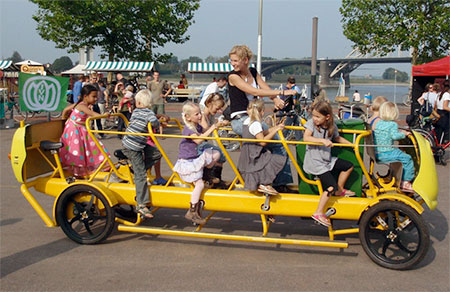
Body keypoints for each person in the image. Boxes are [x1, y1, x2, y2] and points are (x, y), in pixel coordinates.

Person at [227, 45, 298, 193]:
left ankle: (272, 181)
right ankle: (276, 183)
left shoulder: (252, 71)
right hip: (241, 120)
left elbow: (263, 86)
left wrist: (276, 99)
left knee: (270, 145)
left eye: (235, 60)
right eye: (231, 60)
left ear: (245, 60)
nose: (232, 64)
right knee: (277, 143)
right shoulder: (233, 76)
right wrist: (282, 91)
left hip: (253, 118)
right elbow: (253, 90)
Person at [303, 100, 355, 227]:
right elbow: (306, 138)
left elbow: (337, 138)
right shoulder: (311, 124)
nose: (314, 119)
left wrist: (352, 145)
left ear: (327, 117)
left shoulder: (332, 126)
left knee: (348, 166)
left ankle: (340, 190)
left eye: (317, 117)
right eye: (313, 116)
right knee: (331, 186)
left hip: (326, 159)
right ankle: (318, 212)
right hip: (315, 162)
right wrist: (321, 141)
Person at [173, 102, 222, 225]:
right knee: (199, 185)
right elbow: (199, 140)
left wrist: (218, 125)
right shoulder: (188, 129)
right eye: (197, 114)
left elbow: (205, 131)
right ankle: (192, 211)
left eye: (200, 113)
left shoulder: (196, 126)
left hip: (195, 158)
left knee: (216, 154)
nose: (200, 116)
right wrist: (213, 127)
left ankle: (206, 175)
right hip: (187, 162)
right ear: (188, 117)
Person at [122, 89, 166, 219]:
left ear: (139, 102)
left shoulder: (136, 111)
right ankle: (141, 204)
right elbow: (154, 122)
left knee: (156, 154)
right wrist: (160, 121)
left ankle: (136, 169)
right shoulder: (148, 113)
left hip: (134, 143)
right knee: (141, 175)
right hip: (133, 147)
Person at [59, 84, 110, 177]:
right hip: (75, 129)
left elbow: (66, 110)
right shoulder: (82, 106)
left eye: (96, 97)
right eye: (93, 97)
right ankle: (78, 170)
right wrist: (105, 115)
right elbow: (92, 114)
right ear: (85, 97)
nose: (95, 99)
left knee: (87, 146)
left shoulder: (81, 104)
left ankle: (85, 167)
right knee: (78, 148)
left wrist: (64, 119)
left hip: (79, 128)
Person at [238, 99, 286, 195]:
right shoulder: (255, 124)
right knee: (275, 159)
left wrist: (275, 128)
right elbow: (262, 142)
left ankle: (264, 183)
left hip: (247, 154)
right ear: (262, 112)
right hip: (254, 155)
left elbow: (259, 134)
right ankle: (264, 183)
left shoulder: (247, 121)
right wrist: (274, 131)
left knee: (267, 159)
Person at [373, 102, 415, 192]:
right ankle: (406, 181)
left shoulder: (379, 123)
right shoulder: (393, 124)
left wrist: (398, 131)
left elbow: (387, 133)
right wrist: (404, 134)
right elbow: (395, 136)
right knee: (407, 158)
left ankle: (398, 176)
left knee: (400, 154)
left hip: (378, 152)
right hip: (387, 152)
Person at [199, 93, 229, 188]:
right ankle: (208, 177)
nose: (219, 111)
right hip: (197, 144)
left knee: (221, 154)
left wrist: (220, 124)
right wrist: (216, 126)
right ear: (209, 104)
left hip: (203, 143)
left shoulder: (210, 116)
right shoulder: (202, 116)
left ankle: (216, 179)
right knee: (219, 152)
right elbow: (205, 133)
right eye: (217, 108)